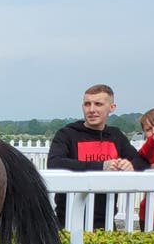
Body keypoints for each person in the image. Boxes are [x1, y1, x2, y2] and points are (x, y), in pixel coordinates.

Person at [47, 84, 148, 229]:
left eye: (98, 104)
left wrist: (131, 165)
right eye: (87, 104)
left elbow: (142, 161)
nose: (91, 110)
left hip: (105, 221)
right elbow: (54, 163)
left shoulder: (116, 136)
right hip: (69, 220)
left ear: (112, 107)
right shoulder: (67, 134)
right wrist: (101, 166)